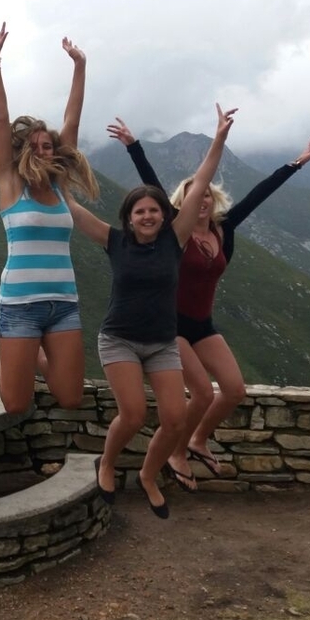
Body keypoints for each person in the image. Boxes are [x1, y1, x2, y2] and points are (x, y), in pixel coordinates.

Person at [115, 120, 310, 486]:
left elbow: (261, 193)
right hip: (172, 326)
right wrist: (134, 146)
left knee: (233, 390)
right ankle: (176, 453)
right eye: (197, 194)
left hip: (203, 324)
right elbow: (151, 184)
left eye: (209, 194)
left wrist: (297, 163)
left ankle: (197, 439)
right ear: (184, 202)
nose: (204, 199)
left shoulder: (223, 229)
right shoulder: (173, 234)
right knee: (200, 393)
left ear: (214, 201)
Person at [66, 103, 238, 518]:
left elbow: (200, 183)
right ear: (129, 217)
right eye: (139, 211)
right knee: (134, 413)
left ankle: (148, 474)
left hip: (162, 342)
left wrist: (218, 139)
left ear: (165, 216)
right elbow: (67, 205)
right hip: (120, 338)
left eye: (154, 210)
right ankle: (105, 463)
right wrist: (48, 168)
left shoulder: (175, 240)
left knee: (177, 419)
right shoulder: (114, 240)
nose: (147, 216)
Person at [0, 21, 99, 415]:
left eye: (48, 145)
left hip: (63, 303)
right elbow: (2, 122)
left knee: (70, 397)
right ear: (21, 152)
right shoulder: (11, 185)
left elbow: (73, 119)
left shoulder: (62, 188)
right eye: (34, 145)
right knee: (16, 404)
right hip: (19, 304)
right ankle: (5, 342)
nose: (42, 150)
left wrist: (79, 66)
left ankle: (26, 352)